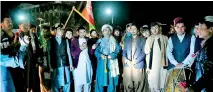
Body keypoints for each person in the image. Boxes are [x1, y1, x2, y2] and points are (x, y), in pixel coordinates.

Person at [186, 16, 213, 92]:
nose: (198, 29)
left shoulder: (210, 45)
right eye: (198, 27)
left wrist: (194, 88)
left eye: (201, 27)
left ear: (211, 29)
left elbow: (210, 74)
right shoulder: (206, 44)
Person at [1, 15, 27, 92]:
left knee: (20, 87)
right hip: (4, 69)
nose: (10, 23)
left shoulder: (17, 35)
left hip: (17, 68)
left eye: (11, 21)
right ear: (1, 24)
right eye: (7, 21)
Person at [122, 23, 149, 92]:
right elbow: (124, 51)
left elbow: (144, 52)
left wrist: (136, 61)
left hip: (138, 64)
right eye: (131, 29)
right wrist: (126, 59)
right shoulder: (126, 39)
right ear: (129, 30)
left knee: (139, 84)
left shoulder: (142, 39)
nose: (133, 30)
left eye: (135, 29)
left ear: (138, 30)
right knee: (128, 84)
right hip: (128, 65)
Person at [95, 24, 121, 92]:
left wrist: (112, 55)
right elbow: (96, 52)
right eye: (105, 30)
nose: (107, 32)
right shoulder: (99, 41)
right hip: (102, 64)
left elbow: (118, 50)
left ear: (111, 32)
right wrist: (100, 55)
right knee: (100, 82)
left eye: (109, 30)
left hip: (111, 64)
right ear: (103, 32)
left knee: (111, 82)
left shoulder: (114, 41)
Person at [145, 22, 168, 92]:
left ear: (159, 28)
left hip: (162, 64)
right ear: (150, 30)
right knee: (153, 84)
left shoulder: (165, 38)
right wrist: (148, 67)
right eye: (152, 28)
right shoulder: (149, 39)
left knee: (162, 82)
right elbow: (146, 52)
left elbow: (168, 52)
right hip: (152, 65)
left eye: (156, 28)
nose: (154, 30)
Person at [49, 24, 72, 92]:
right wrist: (50, 66)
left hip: (65, 64)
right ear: (56, 30)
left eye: (62, 30)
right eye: (59, 29)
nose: (61, 31)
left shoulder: (66, 40)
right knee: (56, 82)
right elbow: (49, 54)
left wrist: (70, 64)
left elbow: (68, 53)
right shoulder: (51, 41)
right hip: (55, 65)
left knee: (67, 81)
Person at [71, 26, 93, 92]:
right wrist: (80, 49)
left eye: (84, 32)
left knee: (87, 84)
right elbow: (73, 53)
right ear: (78, 33)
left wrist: (93, 48)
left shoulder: (88, 40)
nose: (82, 34)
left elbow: (91, 53)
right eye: (80, 32)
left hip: (87, 65)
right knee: (78, 85)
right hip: (78, 66)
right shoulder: (74, 41)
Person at [37, 25, 52, 92]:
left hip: (50, 63)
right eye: (43, 31)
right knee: (43, 81)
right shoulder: (39, 39)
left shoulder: (52, 39)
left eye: (46, 31)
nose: (45, 32)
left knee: (49, 82)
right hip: (43, 64)